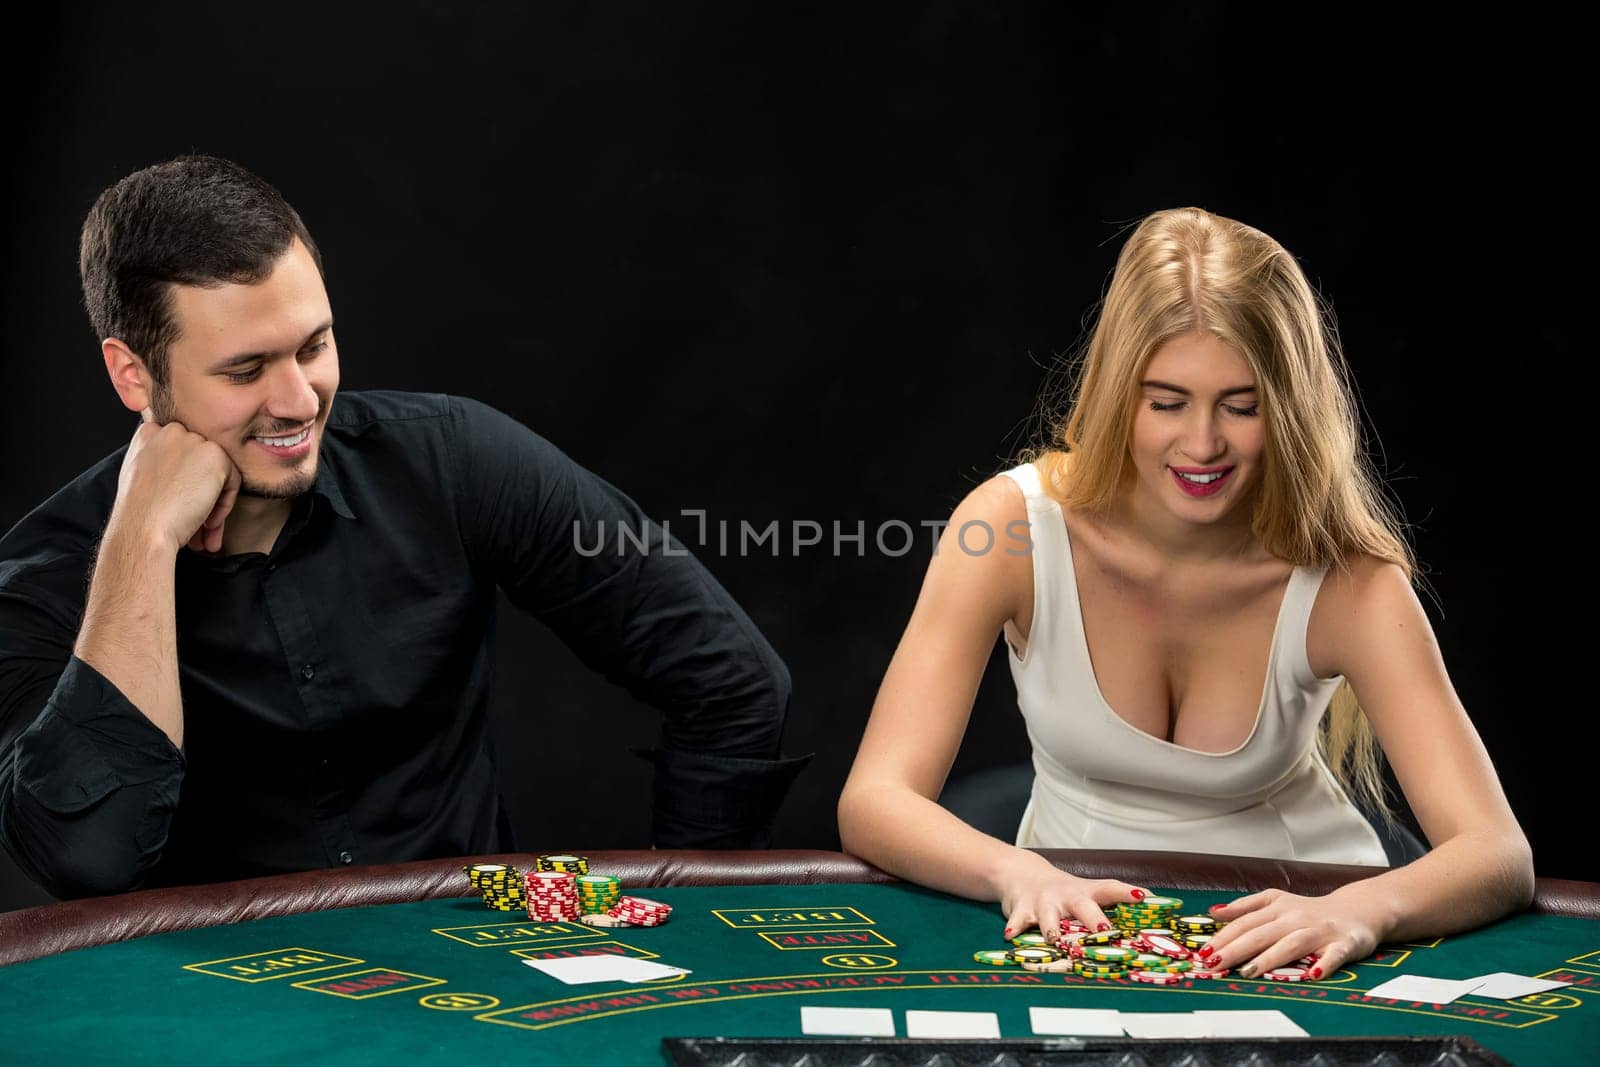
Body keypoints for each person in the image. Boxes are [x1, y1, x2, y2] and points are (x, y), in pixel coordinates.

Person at [0, 155, 809, 900]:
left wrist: (705, 925)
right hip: (214, 1018)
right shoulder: (39, 575)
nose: (298, 399)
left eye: (313, 346)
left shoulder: (455, 459)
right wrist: (141, 538)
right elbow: (87, 854)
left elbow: (732, 679)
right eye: (245, 370)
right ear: (132, 374)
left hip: (475, 987)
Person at [838, 207, 1533, 979]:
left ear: (1291, 405)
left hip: (1306, 933)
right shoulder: (1010, 528)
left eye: (1242, 406)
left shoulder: (1349, 580)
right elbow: (875, 798)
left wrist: (1359, 908)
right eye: (1166, 402)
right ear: (1114, 395)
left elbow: (1498, 853)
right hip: (1083, 924)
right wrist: (1016, 870)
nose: (1202, 444)